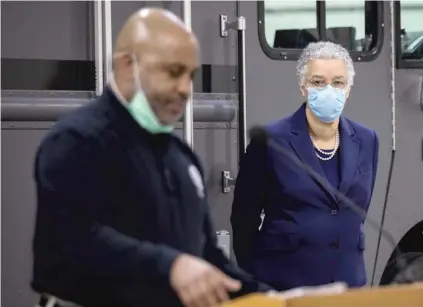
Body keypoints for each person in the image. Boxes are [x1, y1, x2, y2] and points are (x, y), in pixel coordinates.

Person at [31, 8, 273, 307]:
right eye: (173, 72)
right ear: (126, 65)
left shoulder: (181, 158)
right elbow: (70, 244)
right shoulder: (76, 142)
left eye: (191, 75)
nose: (186, 89)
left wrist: (271, 297)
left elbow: (208, 258)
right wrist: (171, 266)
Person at [230, 41, 379, 291]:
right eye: (318, 82)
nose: (329, 90)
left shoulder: (367, 139)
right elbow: (243, 220)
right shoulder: (270, 141)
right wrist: (256, 281)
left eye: (338, 82)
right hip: (284, 287)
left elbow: (358, 209)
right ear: (303, 87)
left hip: (348, 287)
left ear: (348, 89)